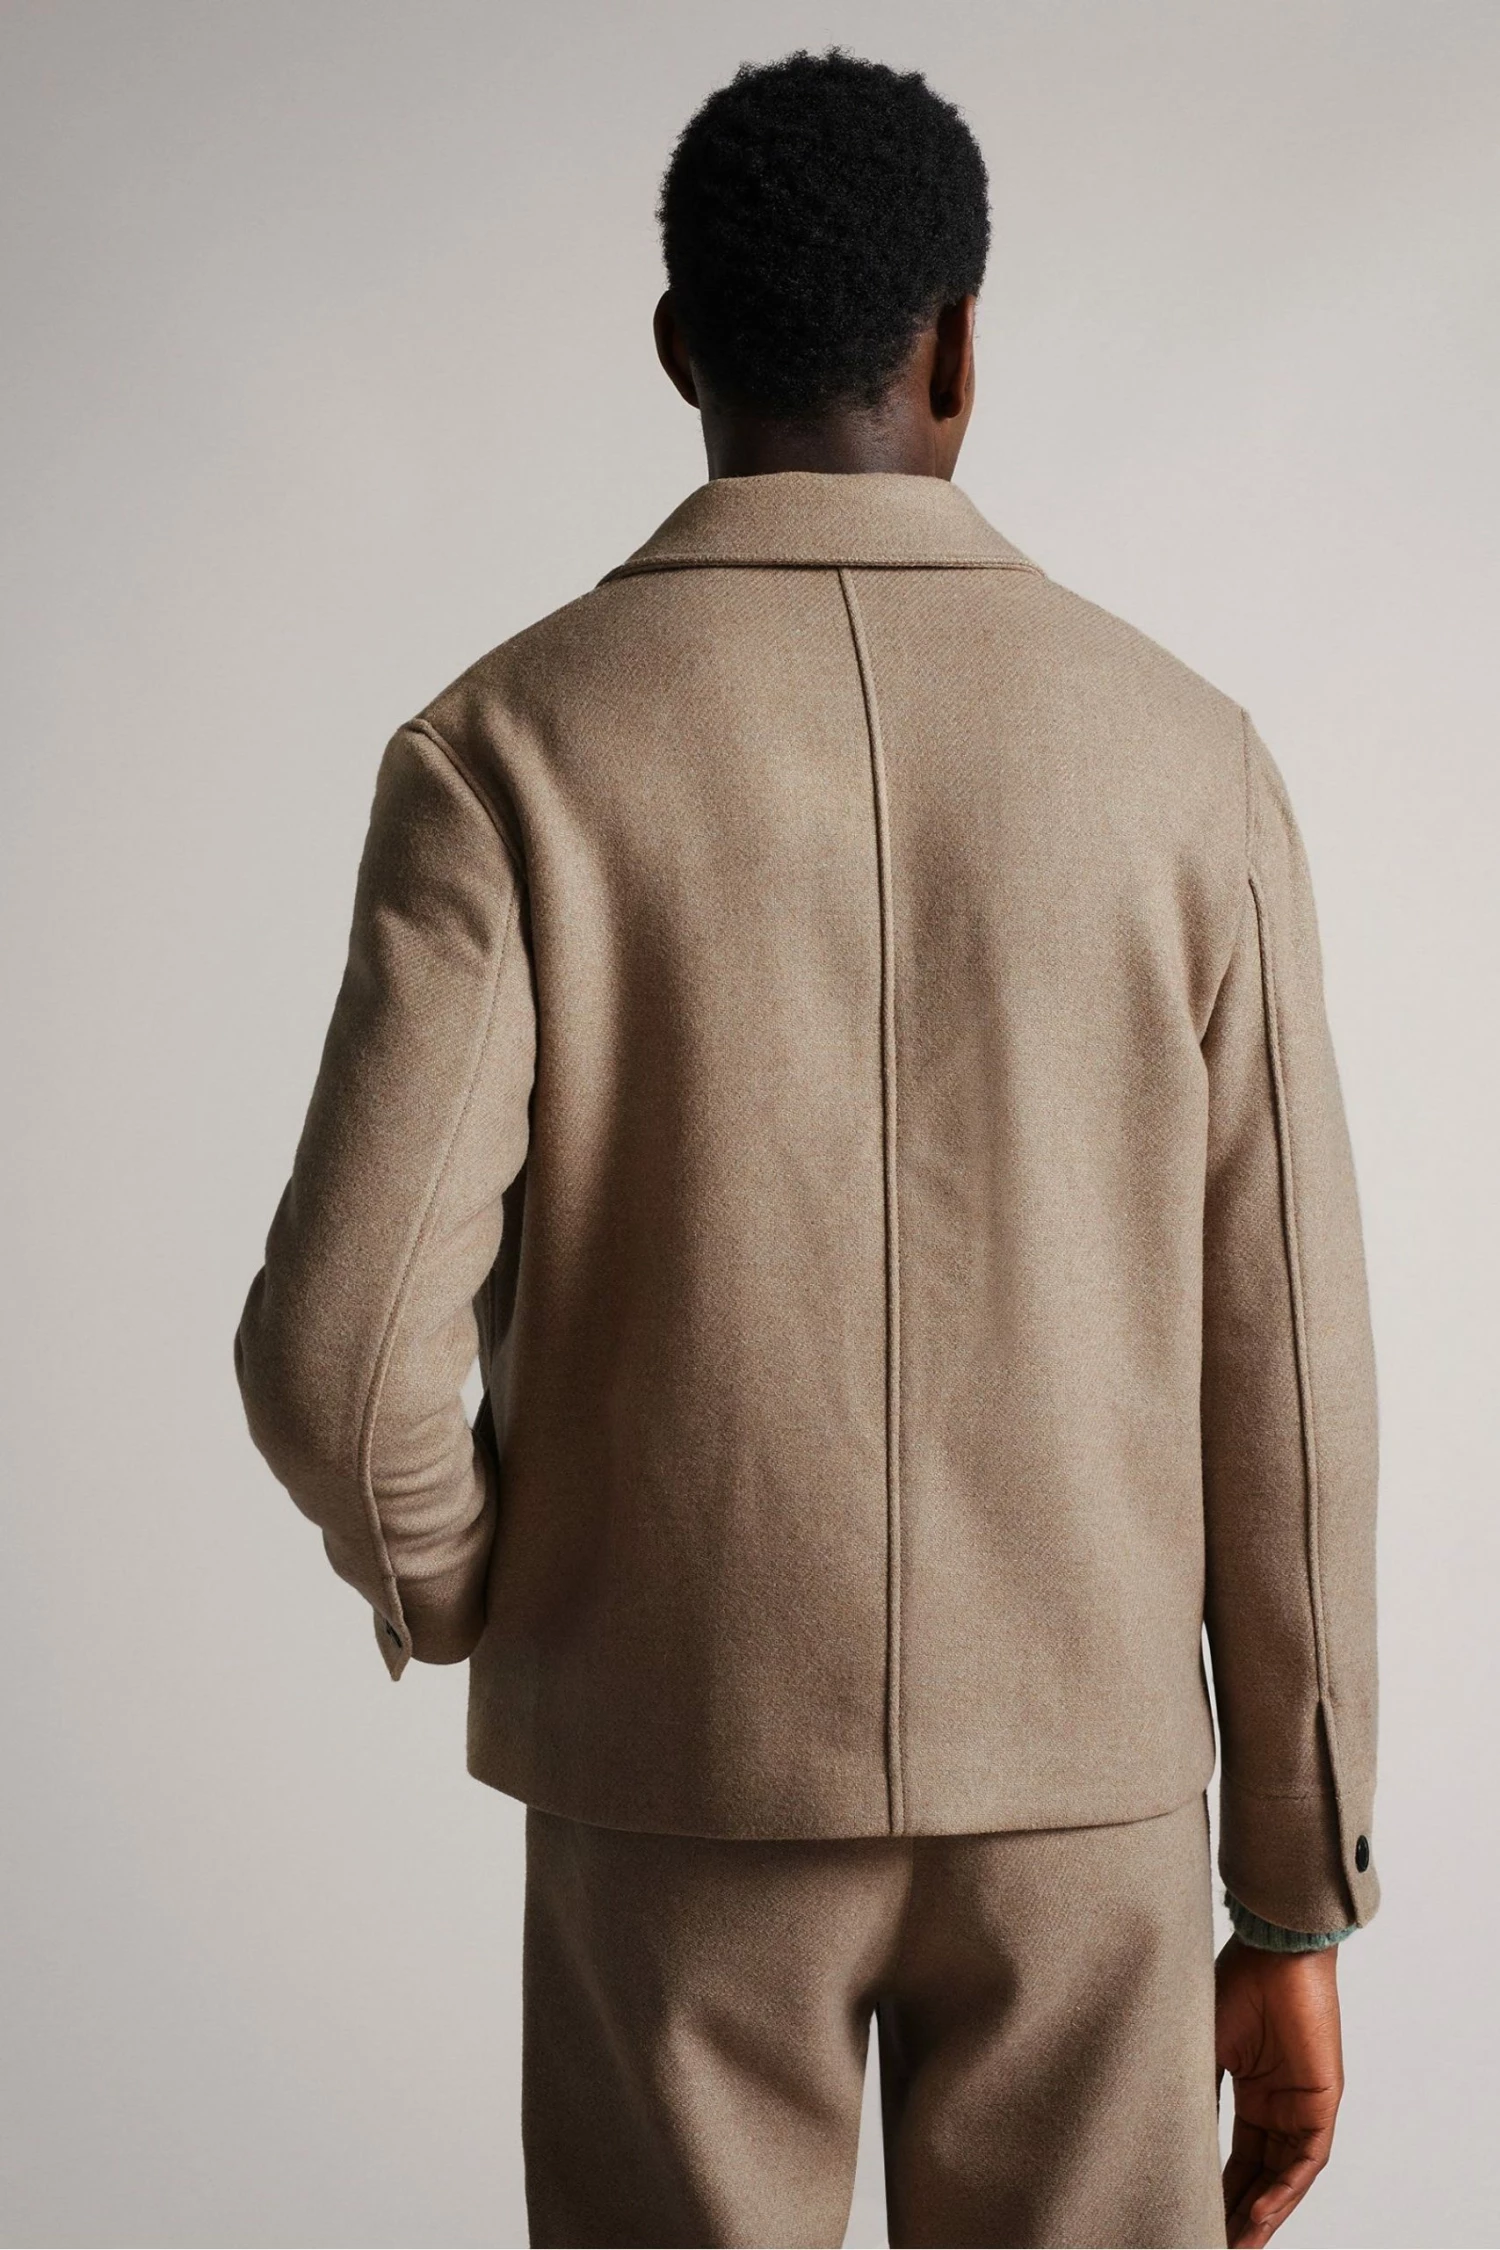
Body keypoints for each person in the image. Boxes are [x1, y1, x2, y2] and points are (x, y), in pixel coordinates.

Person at [234, 47, 1380, 2250]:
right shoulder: (1189, 765)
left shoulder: (504, 753)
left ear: (680, 347)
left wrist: (481, 1585)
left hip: (667, 1773)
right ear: (959, 349)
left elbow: (334, 1351)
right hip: (1088, 1809)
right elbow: (1294, 1386)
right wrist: (1293, 1893)